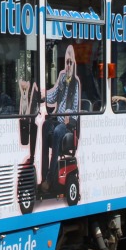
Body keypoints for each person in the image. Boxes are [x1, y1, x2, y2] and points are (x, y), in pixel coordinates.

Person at [42, 44, 81, 188]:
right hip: (58, 120)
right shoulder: (62, 78)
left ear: (74, 63)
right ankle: (44, 172)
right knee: (46, 126)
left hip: (68, 125)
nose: (69, 65)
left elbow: (75, 107)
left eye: (71, 62)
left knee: (58, 131)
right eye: (67, 62)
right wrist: (43, 95)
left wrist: (69, 115)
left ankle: (50, 180)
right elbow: (52, 98)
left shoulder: (75, 84)